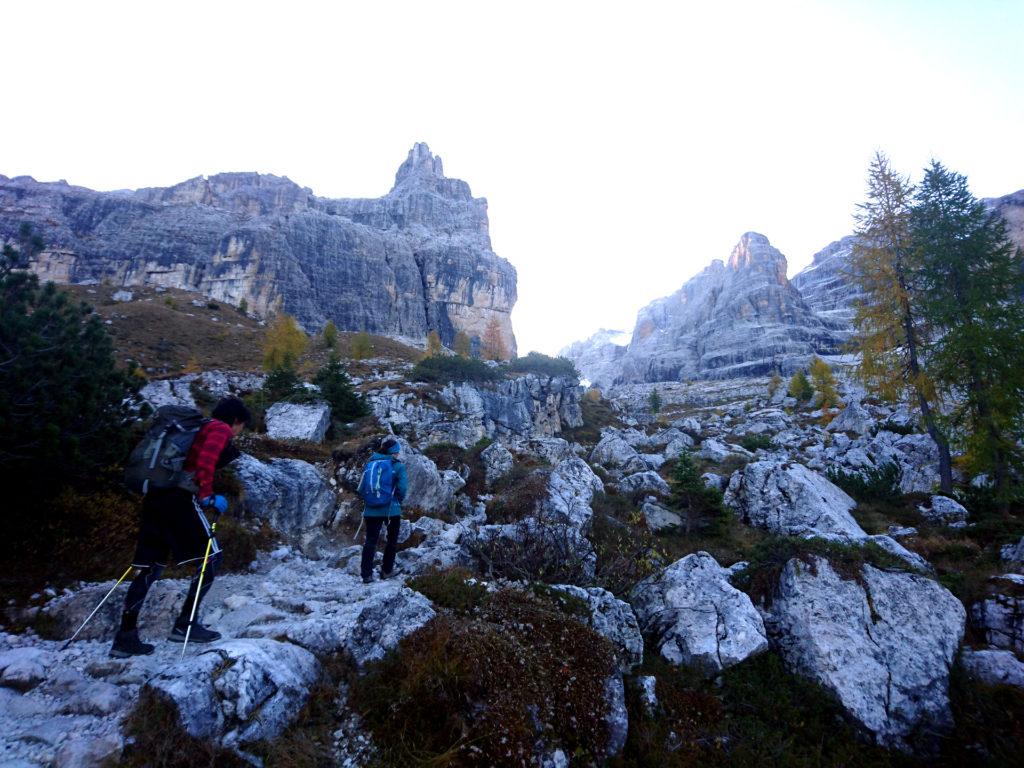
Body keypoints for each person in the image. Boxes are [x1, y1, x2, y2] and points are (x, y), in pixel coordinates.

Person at [109, 396, 250, 658]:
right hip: (179, 499)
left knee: (149, 566)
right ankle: (185, 625)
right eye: (242, 426)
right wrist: (207, 495)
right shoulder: (219, 429)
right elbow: (206, 461)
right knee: (211, 557)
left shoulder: (198, 427)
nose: (240, 432)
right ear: (236, 421)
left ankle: (125, 637)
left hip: (155, 498)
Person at [357, 436, 408, 584]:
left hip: (371, 510)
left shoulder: (370, 464)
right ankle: (386, 570)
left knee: (370, 541)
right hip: (391, 510)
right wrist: (398, 500)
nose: (398, 454)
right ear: (394, 452)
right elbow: (403, 488)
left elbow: (361, 487)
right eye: (397, 451)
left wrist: (371, 500)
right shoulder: (397, 466)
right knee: (391, 541)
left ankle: (366, 574)